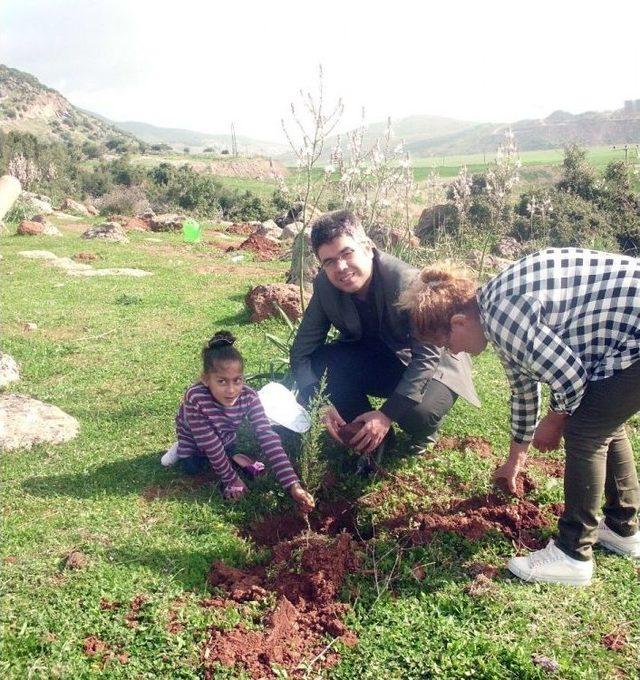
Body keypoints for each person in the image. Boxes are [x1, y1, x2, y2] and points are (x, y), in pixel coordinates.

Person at [398, 248, 640, 585]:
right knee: (602, 419)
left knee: (586, 430)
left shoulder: (504, 316)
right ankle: (621, 528)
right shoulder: (494, 312)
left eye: (447, 343)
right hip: (627, 334)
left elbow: (570, 377)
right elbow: (523, 389)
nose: (452, 353)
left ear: (458, 322)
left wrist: (556, 420)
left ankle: (573, 555)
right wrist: (516, 459)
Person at [290, 210, 479, 472]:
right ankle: (371, 438)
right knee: (321, 361)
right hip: (379, 357)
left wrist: (387, 414)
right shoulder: (325, 285)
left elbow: (427, 357)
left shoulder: (406, 280)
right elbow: (303, 351)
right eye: (329, 261)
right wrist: (318, 400)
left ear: (367, 247)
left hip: (435, 364)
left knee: (417, 414)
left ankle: (422, 433)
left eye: (347, 253)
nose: (341, 268)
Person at [162, 331, 314, 512]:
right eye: (222, 381)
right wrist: (231, 479)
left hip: (224, 434)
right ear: (205, 379)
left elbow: (268, 436)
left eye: (237, 380)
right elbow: (210, 444)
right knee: (194, 467)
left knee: (226, 450)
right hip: (195, 436)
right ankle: (180, 447)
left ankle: (232, 455)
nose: (231, 390)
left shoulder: (249, 396)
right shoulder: (196, 398)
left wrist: (293, 484)